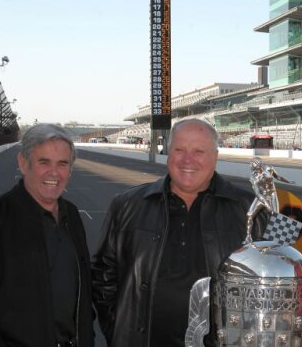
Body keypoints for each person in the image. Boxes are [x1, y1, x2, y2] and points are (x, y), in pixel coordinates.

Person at [91, 118, 265, 347]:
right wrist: (118, 330)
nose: (187, 160)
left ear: (215, 156)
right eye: (179, 150)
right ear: (168, 153)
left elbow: (273, 283)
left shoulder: (253, 210)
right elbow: (104, 276)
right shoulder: (126, 205)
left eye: (199, 151)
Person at [0, 124, 94, 347]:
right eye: (44, 162)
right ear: (23, 163)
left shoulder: (71, 215)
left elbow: (82, 297)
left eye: (62, 164)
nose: (54, 173)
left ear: (70, 169)